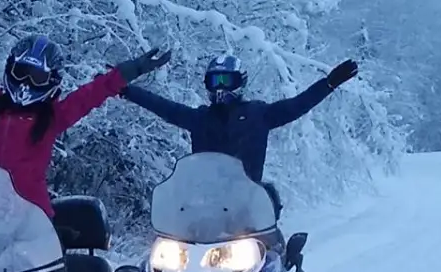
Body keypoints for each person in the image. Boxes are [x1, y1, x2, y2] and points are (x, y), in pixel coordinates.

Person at [0, 0, 170, 217]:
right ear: (10, 70)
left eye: (37, 78)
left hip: (31, 220)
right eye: (21, 73)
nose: (26, 83)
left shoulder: (53, 118)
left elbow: (91, 94)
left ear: (51, 81)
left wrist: (132, 69)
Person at [120, 53, 359, 217]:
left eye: (226, 80)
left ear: (239, 82)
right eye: (214, 81)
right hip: (202, 207)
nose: (220, 87)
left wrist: (328, 84)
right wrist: (126, 90)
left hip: (248, 207)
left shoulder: (260, 114)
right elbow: (163, 106)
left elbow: (297, 105)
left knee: (269, 253)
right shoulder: (199, 118)